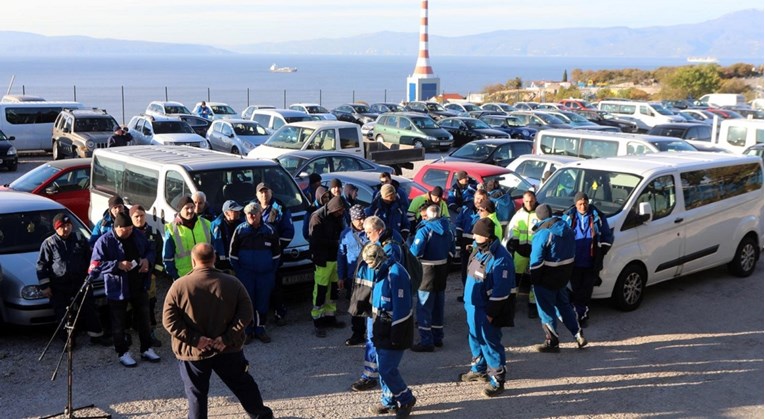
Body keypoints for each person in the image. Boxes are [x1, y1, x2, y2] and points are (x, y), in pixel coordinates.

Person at [163, 243, 273, 419]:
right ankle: (261, 416)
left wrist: (195, 340)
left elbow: (169, 321)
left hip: (194, 353)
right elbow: (246, 313)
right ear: (214, 258)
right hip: (227, 349)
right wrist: (226, 338)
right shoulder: (233, 283)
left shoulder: (178, 286)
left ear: (193, 260)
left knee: (196, 395)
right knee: (243, 385)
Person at [89, 212, 160, 367]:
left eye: (130, 229)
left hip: (139, 284)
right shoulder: (104, 241)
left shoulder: (137, 235)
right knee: (118, 323)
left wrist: (147, 260)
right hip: (117, 288)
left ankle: (146, 348)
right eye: (125, 230)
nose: (128, 232)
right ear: (117, 228)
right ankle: (122, 352)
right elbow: (95, 265)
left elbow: (150, 249)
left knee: (144, 319)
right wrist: (117, 265)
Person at [459, 217, 515, 397]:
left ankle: (497, 379)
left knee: (490, 342)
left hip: (486, 309)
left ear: (488, 237)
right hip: (473, 306)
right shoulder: (478, 251)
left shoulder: (501, 259)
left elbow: (501, 290)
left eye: (477, 234)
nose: (474, 236)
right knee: (474, 338)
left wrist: (491, 313)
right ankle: (479, 368)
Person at [359, 244, 417, 418]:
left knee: (386, 369)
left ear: (378, 258)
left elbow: (402, 309)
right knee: (382, 364)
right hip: (381, 327)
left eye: (370, 263)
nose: (369, 267)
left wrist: (396, 335)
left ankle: (406, 398)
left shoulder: (396, 274)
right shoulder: (383, 270)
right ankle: (388, 401)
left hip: (393, 329)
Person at [349, 215, 405, 393]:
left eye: (368, 233)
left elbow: (388, 278)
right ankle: (373, 373)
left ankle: (373, 376)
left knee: (376, 340)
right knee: (372, 339)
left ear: (379, 231)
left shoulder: (390, 248)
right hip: (374, 300)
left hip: (382, 304)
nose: (366, 236)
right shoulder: (382, 243)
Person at [36, 213, 109, 346]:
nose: (66, 229)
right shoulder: (49, 244)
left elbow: (90, 259)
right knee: (63, 314)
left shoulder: (80, 239)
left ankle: (96, 336)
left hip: (80, 282)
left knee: (90, 309)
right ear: (56, 228)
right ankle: (68, 340)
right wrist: (45, 286)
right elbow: (41, 266)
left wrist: (91, 275)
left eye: (68, 225)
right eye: (63, 226)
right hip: (59, 286)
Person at [529, 204, 588, 353]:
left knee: (546, 309)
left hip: (546, 278)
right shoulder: (567, 229)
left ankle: (552, 342)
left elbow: (536, 261)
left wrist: (534, 279)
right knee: (564, 306)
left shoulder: (543, 233)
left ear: (539, 217)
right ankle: (578, 334)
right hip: (563, 277)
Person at [230, 202, 280, 344]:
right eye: (248, 214)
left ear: (259, 214)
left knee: (262, 303)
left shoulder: (270, 231)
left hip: (265, 275)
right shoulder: (240, 231)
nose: (252, 216)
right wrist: (240, 272)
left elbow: (276, 254)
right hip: (246, 275)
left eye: (254, 213)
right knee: (247, 303)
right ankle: (247, 331)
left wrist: (270, 271)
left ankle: (260, 329)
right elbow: (232, 255)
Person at [563, 192, 613, 327]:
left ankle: (582, 315)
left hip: (591, 262)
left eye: (585, 203)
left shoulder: (598, 216)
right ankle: (577, 314)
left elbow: (607, 236)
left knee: (586, 291)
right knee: (576, 289)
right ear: (575, 204)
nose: (583, 206)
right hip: (574, 261)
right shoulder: (568, 217)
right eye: (580, 204)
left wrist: (601, 251)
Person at [409, 205, 454, 352]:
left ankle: (426, 341)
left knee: (424, 306)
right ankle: (437, 337)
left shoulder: (424, 230)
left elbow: (415, 252)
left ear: (427, 216)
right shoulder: (448, 229)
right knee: (438, 305)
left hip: (427, 271)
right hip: (442, 269)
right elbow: (452, 251)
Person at [255, 182, 295, 326]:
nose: (264, 194)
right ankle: (260, 317)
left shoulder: (279, 209)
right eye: (261, 192)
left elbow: (289, 232)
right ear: (257, 195)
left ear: (271, 193)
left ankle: (280, 313)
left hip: (273, 257)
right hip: (256, 257)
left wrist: (276, 248)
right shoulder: (252, 208)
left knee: (275, 286)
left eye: (266, 192)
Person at [308, 195, 347, 337]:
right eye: (340, 210)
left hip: (335, 258)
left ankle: (330, 316)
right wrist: (335, 243)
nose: (341, 213)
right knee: (320, 290)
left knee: (333, 290)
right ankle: (317, 319)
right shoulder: (317, 217)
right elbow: (315, 240)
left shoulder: (336, 216)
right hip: (322, 260)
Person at [130, 205, 164, 347]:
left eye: (141, 216)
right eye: (136, 216)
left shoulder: (154, 233)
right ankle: (133, 329)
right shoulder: (128, 233)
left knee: (150, 304)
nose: (139, 219)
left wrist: (155, 273)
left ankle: (151, 332)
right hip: (133, 277)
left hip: (150, 277)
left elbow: (159, 256)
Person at [503, 190, 540, 319]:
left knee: (534, 280)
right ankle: (511, 301)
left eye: (531, 201)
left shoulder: (540, 213)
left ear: (535, 200)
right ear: (523, 201)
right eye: (526, 201)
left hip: (535, 252)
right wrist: (512, 244)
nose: (529, 204)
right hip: (520, 251)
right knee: (515, 278)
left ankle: (532, 305)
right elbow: (513, 230)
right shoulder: (519, 214)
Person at [338, 205, 369, 346]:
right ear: (352, 219)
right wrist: (340, 276)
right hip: (352, 277)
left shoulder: (370, 232)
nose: (361, 221)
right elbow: (341, 256)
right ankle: (358, 333)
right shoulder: (345, 234)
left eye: (363, 218)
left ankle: (371, 333)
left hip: (369, 276)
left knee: (370, 307)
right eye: (358, 219)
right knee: (356, 308)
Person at [163, 196, 213, 280]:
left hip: (205, 273)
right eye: (187, 208)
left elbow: (213, 249)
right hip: (184, 277)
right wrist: (176, 276)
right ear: (180, 210)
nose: (190, 211)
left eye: (192, 207)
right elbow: (167, 258)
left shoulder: (206, 224)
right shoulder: (172, 229)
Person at [455, 189, 489, 299]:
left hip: (478, 246)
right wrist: (458, 238)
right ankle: (466, 293)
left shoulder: (485, 212)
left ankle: (475, 294)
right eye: (477, 198)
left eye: (481, 199)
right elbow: (459, 223)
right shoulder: (466, 208)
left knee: (475, 270)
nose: (478, 201)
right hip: (465, 244)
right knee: (465, 270)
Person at [210, 200, 243, 271]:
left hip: (238, 263)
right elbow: (215, 245)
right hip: (221, 266)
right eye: (235, 211)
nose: (239, 212)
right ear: (226, 213)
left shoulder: (241, 224)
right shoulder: (216, 226)